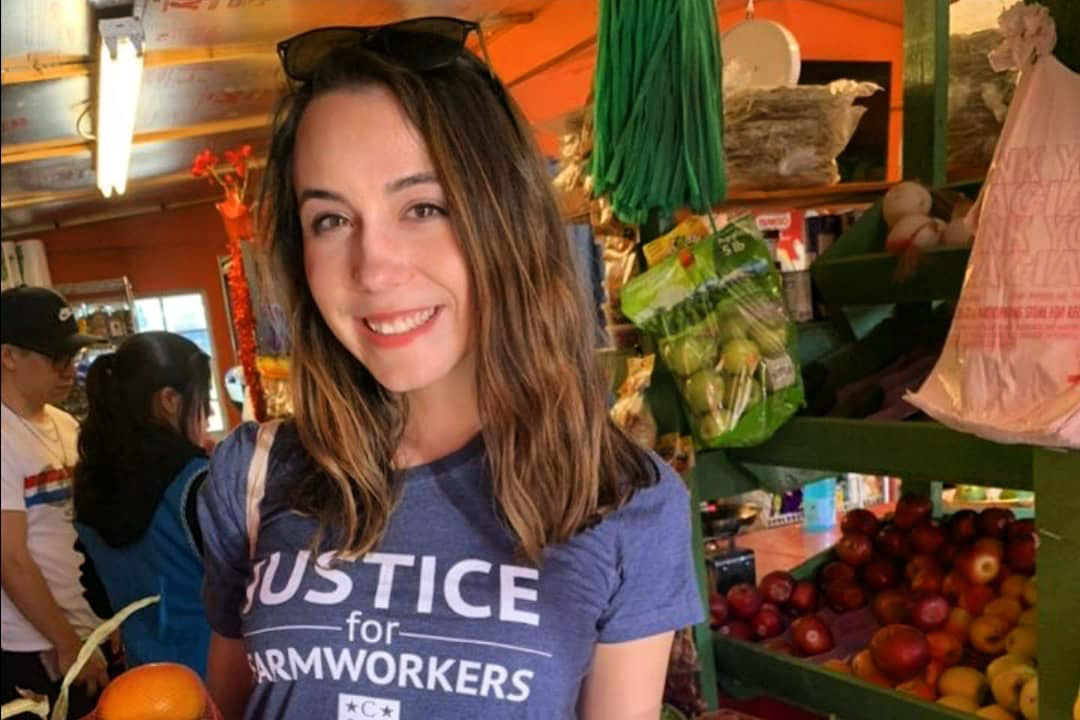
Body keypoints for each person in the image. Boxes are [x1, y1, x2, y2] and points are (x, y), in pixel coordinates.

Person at [198, 16, 703, 720]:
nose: (372, 268)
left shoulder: (622, 500)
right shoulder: (251, 477)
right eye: (331, 220)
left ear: (506, 220)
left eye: (423, 207)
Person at [73, 331, 214, 677]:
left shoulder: (91, 484)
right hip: (220, 680)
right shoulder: (197, 483)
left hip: (143, 685)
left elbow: (99, 598)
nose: (207, 413)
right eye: (203, 399)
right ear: (169, 400)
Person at [1, 286, 108, 716]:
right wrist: (66, 643)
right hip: (33, 646)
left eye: (75, 355)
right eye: (56, 357)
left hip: (83, 634)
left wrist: (96, 627)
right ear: (8, 355)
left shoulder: (64, 423)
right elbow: (10, 559)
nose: (70, 369)